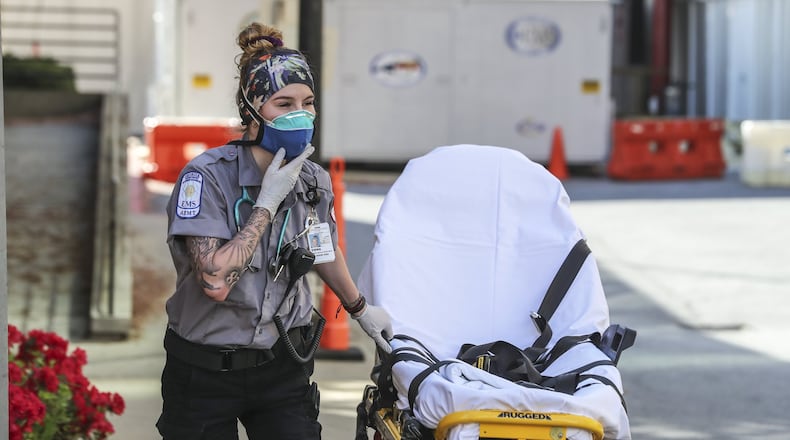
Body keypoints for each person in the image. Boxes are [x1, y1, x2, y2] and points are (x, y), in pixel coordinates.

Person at [156, 22, 393, 440]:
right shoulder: (206, 178)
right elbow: (214, 279)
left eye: (308, 102)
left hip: (283, 364)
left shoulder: (313, 179)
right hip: (205, 370)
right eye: (284, 103)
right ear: (251, 110)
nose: (300, 114)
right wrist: (266, 203)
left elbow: (321, 247)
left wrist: (360, 310)